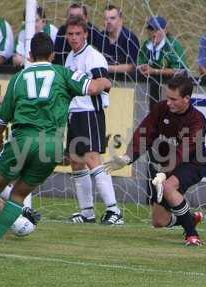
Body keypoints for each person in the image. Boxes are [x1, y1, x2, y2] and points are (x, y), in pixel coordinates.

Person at [0, 32, 111, 252]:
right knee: (19, 195)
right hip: (51, 146)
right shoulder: (63, 73)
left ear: (30, 54)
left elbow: (2, 117)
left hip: (23, 139)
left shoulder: (18, 78)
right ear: (53, 54)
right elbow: (92, 88)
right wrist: (105, 81)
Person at [104, 74, 206, 246]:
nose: (169, 103)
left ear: (186, 99)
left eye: (174, 99)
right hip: (167, 166)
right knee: (159, 221)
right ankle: (188, 218)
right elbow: (144, 133)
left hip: (192, 164)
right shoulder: (161, 109)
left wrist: (165, 174)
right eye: (168, 98)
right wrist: (128, 157)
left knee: (168, 186)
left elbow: (184, 151)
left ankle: (192, 235)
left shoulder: (197, 120)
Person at [64, 16, 123, 225]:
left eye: (77, 34)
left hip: (89, 112)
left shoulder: (93, 57)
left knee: (91, 159)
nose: (73, 38)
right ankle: (87, 212)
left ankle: (114, 211)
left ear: (86, 34)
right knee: (76, 161)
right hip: (74, 113)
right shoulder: (70, 57)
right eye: (70, 34)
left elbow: (104, 81)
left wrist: (91, 87)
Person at [101, 5, 139, 74]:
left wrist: (108, 68)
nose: (108, 22)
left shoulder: (130, 38)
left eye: (112, 18)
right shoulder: (101, 36)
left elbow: (132, 66)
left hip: (127, 81)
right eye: (106, 19)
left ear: (120, 20)